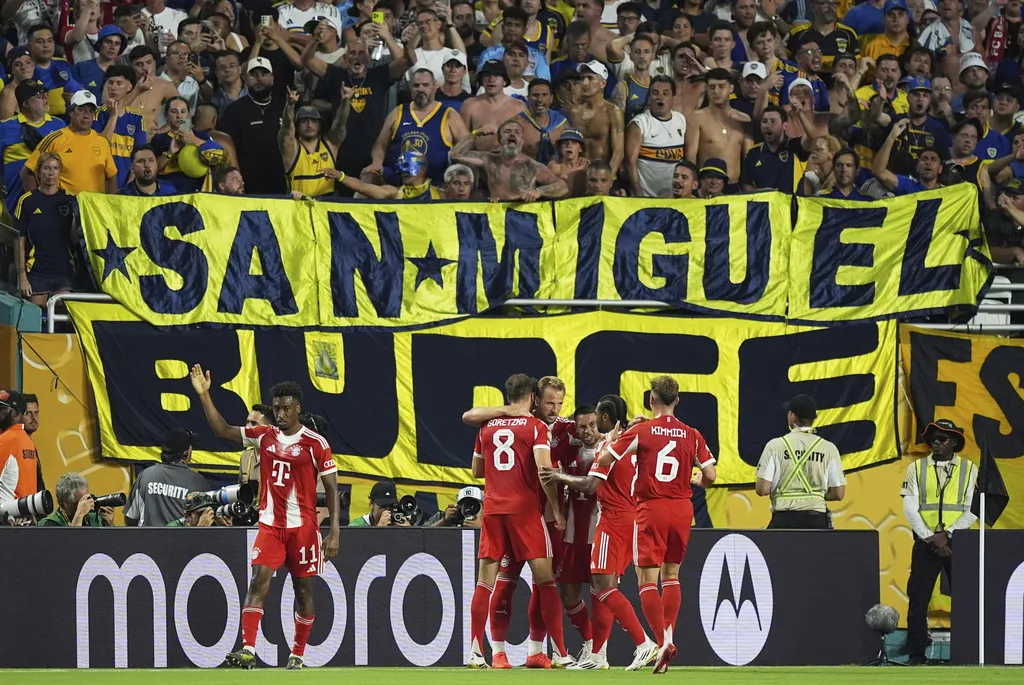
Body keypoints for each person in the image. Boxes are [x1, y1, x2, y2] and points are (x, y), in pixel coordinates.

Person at [190, 365, 340, 671]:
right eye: (277, 409)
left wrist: (335, 531)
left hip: (303, 528)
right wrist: (204, 395)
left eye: (286, 409)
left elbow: (332, 490)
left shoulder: (316, 444)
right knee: (258, 581)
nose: (281, 414)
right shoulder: (263, 436)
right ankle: (248, 649)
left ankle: (298, 653)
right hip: (270, 526)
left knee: (303, 592)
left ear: (297, 409)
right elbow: (222, 430)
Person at [598, 376, 717, 673]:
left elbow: (605, 459)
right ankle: (670, 637)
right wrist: (699, 481)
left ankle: (662, 643)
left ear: (651, 400)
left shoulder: (642, 430)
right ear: (677, 400)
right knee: (672, 575)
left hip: (651, 508)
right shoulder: (692, 434)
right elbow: (711, 475)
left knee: (647, 581)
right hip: (682, 509)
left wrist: (613, 439)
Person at [540, 396, 660, 671]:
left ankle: (636, 644)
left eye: (594, 422)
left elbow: (591, 485)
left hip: (611, 523)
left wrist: (559, 477)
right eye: (582, 426)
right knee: (587, 588)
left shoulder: (610, 448)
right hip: (608, 524)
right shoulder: (626, 442)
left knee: (603, 588)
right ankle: (596, 654)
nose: (589, 430)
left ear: (603, 419)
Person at [466, 373, 573, 669]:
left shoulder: (487, 426)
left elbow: (477, 470)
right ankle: (561, 653)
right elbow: (544, 471)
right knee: (546, 581)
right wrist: (557, 509)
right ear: (533, 398)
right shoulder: (535, 426)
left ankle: (478, 652)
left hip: (493, 509)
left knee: (485, 582)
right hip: (525, 512)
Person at [900, 419, 977, 665]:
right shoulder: (915, 468)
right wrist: (930, 537)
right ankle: (916, 655)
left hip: (958, 543)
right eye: (933, 438)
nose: (936, 442)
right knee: (918, 600)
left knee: (966, 600)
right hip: (926, 543)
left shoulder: (969, 469)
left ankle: (967, 654)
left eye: (942, 438)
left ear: (953, 442)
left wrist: (949, 534)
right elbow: (910, 508)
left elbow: (973, 509)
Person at [754, 394, 846, 528]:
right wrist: (816, 496)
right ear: (812, 419)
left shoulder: (775, 446)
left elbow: (762, 489)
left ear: (793, 416)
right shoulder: (829, 448)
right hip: (817, 522)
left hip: (783, 521)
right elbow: (839, 493)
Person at [367, 69, 468, 185]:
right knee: (368, 175)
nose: (420, 89)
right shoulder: (398, 112)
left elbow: (467, 144)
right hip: (397, 180)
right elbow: (380, 144)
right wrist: (377, 162)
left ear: (435, 86)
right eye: (416, 85)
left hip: (435, 184)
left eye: (426, 85)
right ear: (410, 88)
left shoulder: (449, 114)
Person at [451, 118, 570, 200]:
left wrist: (539, 192)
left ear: (522, 141)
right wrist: (475, 134)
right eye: (507, 131)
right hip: (496, 218)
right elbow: (455, 155)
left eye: (517, 132)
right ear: (499, 140)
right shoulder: (489, 160)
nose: (512, 134)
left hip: (522, 218)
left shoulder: (532, 165)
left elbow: (563, 186)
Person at [14, 153, 76, 307]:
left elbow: (75, 239)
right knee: (35, 316)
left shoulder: (70, 200)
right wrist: (22, 276)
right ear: (38, 172)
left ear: (60, 171)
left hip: (64, 271)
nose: (51, 173)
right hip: (36, 272)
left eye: (55, 168)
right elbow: (19, 241)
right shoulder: (27, 201)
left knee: (66, 314)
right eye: (47, 168)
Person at [219, 58, 288, 195]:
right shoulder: (235, 110)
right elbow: (225, 145)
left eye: (264, 74)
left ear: (272, 78)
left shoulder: (285, 106)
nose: (259, 79)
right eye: (253, 75)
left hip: (283, 181)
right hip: (248, 184)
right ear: (245, 79)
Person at [1, 79, 65, 216]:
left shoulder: (59, 125)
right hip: (15, 200)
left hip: (54, 199)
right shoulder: (4, 128)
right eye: (39, 96)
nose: (45, 98)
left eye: (45, 94)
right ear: (25, 103)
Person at [123, 427, 211, 526]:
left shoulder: (145, 475)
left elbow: (130, 518)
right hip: (182, 536)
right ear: (185, 454)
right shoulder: (198, 482)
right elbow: (206, 520)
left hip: (146, 536)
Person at [685, 68, 752, 188]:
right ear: (706, 89)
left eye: (721, 87)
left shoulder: (744, 119)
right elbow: (691, 156)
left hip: (734, 187)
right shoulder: (696, 118)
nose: (716, 91)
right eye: (712, 87)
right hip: (707, 187)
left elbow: (749, 157)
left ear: (731, 88)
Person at [281, 89, 351, 198]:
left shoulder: (330, 145)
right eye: (304, 121)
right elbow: (286, 129)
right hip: (299, 204)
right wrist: (290, 106)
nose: (309, 125)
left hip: (326, 205)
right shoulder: (292, 149)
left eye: (313, 121)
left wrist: (346, 101)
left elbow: (340, 124)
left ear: (319, 126)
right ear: (297, 127)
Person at [624, 76, 686, 197]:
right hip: (646, 197)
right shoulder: (640, 123)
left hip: (674, 197)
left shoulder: (681, 120)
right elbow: (630, 163)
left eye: (665, 93)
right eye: (655, 93)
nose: (660, 97)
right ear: (649, 98)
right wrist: (638, 194)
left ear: (673, 98)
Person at [565, 61, 624, 176]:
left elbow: (618, 153)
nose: (585, 83)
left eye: (590, 78)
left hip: (604, 173)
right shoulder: (575, 112)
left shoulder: (613, 111)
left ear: (602, 83)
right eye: (582, 78)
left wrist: (607, 180)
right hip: (580, 174)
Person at [94, 65, 148, 190]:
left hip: (127, 183)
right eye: (110, 82)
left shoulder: (137, 118)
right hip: (100, 182)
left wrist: (130, 185)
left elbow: (139, 155)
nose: (113, 87)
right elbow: (99, 146)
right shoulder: (98, 114)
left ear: (129, 87)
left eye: (119, 83)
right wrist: (113, 117)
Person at [461, 60, 528, 151]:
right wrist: (475, 133)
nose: (491, 79)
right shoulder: (469, 105)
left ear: (505, 81)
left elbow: (526, 140)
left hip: (510, 157)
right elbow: (460, 141)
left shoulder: (519, 107)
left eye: (496, 75)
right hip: (478, 157)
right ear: (482, 80)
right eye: (487, 75)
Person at [741, 105, 807, 193]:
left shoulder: (796, 146)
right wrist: (761, 192)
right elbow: (746, 186)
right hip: (764, 202)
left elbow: (812, 139)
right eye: (764, 121)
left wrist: (802, 114)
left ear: (784, 126)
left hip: (793, 201)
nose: (768, 125)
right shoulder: (753, 153)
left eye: (773, 121)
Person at [786, 0, 859, 73]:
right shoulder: (798, 33)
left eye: (834, 4)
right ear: (813, 7)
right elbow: (785, 62)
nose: (831, 8)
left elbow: (856, 65)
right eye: (825, 3)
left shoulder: (849, 34)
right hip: (805, 79)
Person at [873, 120, 945, 194]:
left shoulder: (947, 192)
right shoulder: (908, 186)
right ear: (917, 167)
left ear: (940, 168)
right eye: (924, 159)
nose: (928, 162)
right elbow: (879, 172)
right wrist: (892, 136)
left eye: (933, 159)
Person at [27, 25, 84, 117]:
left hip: (70, 119)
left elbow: (82, 89)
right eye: (40, 42)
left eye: (50, 40)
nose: (46, 45)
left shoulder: (64, 64)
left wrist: (77, 95)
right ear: (29, 46)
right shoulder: (25, 70)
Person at [72, 24, 129, 102]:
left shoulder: (125, 74)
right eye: (108, 42)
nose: (112, 47)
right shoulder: (81, 68)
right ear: (100, 44)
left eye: (117, 44)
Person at [0, 390, 39, 499]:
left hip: (8, 507)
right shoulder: (27, 441)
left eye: (1, 408)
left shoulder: (6, 440)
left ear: (16, 413)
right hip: (25, 507)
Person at [37, 472, 114, 527]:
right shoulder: (48, 525)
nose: (89, 503)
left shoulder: (94, 517)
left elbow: (110, 543)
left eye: (89, 497)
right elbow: (72, 543)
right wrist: (79, 516)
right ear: (66, 504)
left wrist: (110, 525)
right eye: (83, 501)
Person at [519, 78, 567, 163]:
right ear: (528, 98)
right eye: (535, 95)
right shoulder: (517, 124)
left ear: (551, 98)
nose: (540, 100)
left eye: (544, 95)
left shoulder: (562, 123)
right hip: (527, 170)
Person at [611, 35, 656, 122]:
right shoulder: (623, 87)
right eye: (637, 52)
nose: (642, 56)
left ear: (653, 56)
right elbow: (617, 124)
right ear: (630, 56)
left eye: (646, 52)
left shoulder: (658, 85)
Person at [548, 128, 590, 195]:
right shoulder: (554, 166)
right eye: (565, 142)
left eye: (574, 142)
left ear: (580, 149)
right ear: (560, 147)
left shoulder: (587, 166)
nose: (569, 145)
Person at [166, 491, 232, 527]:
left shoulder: (214, 525)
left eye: (211, 511)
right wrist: (200, 530)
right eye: (202, 513)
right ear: (187, 516)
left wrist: (225, 532)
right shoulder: (172, 528)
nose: (208, 517)